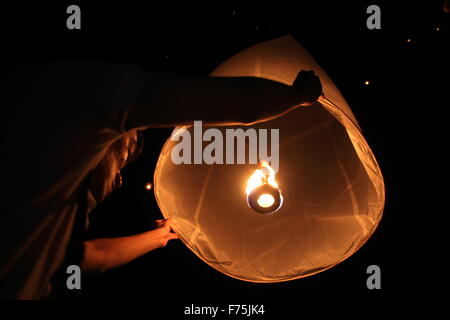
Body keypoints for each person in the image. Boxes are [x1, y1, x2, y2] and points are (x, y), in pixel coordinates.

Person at [0, 61, 322, 299]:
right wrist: (298, 95)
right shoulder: (79, 96)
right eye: (125, 154)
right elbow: (240, 104)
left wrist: (161, 236)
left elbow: (89, 257)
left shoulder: (45, 205)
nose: (120, 179)